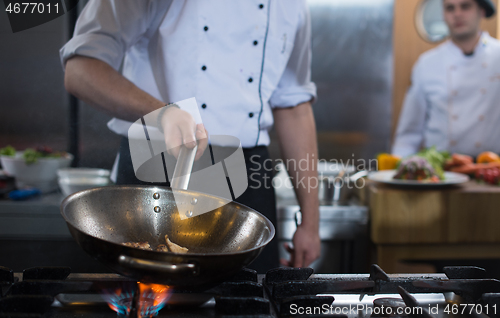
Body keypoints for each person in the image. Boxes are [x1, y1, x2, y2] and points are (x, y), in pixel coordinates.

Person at [60, 0, 321, 272]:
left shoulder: (291, 5)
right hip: (156, 173)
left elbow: (294, 106)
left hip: (247, 183)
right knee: (144, 302)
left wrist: (311, 224)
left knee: (250, 304)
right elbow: (81, 69)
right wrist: (162, 113)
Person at [392, 0, 499, 158]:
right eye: (450, 8)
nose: (457, 14)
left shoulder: (497, 57)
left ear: (481, 11)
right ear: (443, 14)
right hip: (441, 173)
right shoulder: (426, 64)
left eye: (465, 6)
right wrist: (397, 170)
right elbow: (409, 134)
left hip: (491, 172)